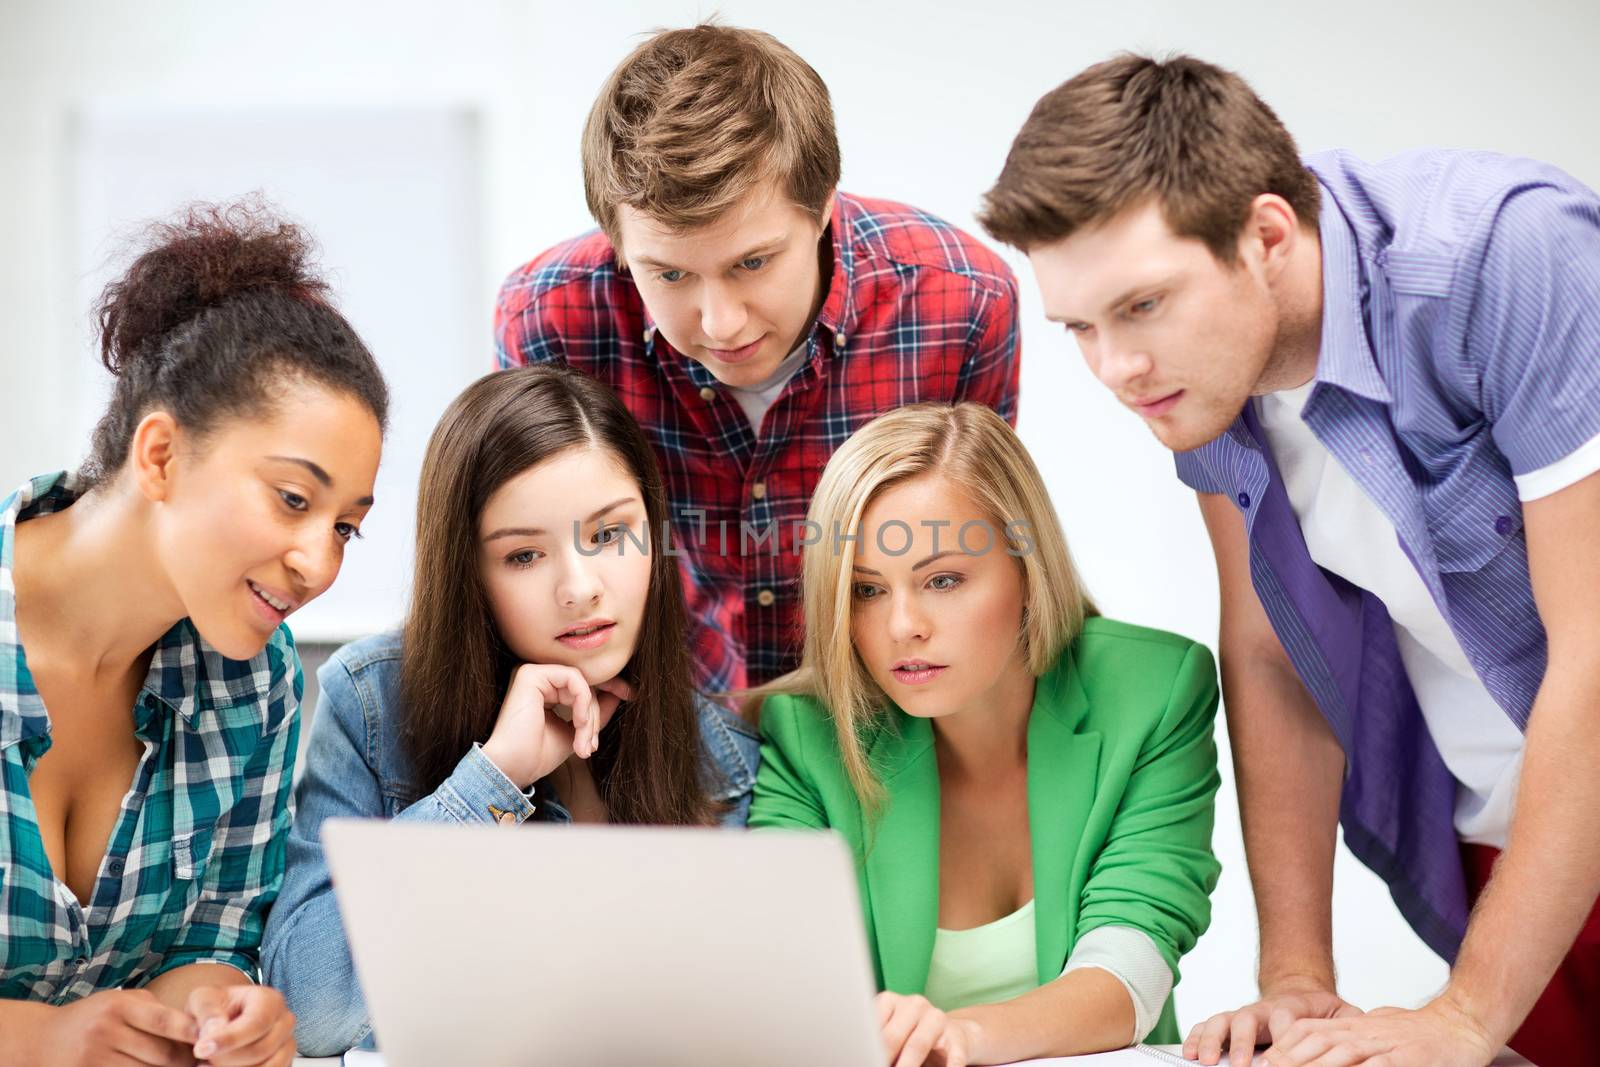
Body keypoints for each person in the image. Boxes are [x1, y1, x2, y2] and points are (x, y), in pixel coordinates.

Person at [981, 52, 1600, 1067]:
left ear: (1266, 234)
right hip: (1514, 857)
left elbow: (1593, 652)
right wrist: (1297, 980)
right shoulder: (1203, 385)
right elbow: (1270, 647)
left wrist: (1465, 1012)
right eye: (1079, 327)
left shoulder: (1507, 260)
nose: (1115, 369)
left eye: (1141, 305)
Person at [496, 23, 1020, 698]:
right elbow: (537, 574)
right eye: (671, 275)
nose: (720, 323)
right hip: (653, 727)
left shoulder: (962, 304)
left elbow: (970, 567)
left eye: (752, 262)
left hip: (879, 720)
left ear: (824, 207)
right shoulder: (547, 319)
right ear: (618, 242)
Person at [262, 364, 761, 1056]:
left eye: (612, 535)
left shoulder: (722, 755)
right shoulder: (373, 701)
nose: (581, 588)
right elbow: (310, 1007)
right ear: (467, 568)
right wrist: (492, 779)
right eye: (524, 554)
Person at [0, 202, 388, 1067]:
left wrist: (222, 1012)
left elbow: (202, 943)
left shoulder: (257, 682)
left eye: (345, 527)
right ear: (162, 455)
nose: (318, 564)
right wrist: (36, 1040)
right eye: (294, 498)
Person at [748, 403, 1220, 1067]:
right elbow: (788, 979)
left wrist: (958, 1036)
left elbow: (1129, 971)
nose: (902, 625)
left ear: (1028, 570)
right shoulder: (807, 734)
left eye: (942, 579)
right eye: (866, 590)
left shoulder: (1155, 690)